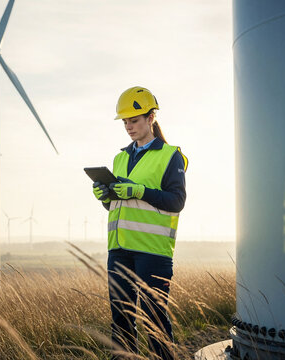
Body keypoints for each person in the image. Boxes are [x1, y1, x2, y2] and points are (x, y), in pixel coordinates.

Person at [92, 86, 187, 360]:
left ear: (151, 118)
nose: (128, 126)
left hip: (153, 252)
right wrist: (104, 197)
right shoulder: (120, 158)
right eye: (124, 121)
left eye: (133, 120)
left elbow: (176, 201)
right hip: (119, 249)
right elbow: (117, 205)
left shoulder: (171, 156)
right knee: (121, 322)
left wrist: (139, 190)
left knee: (154, 323)